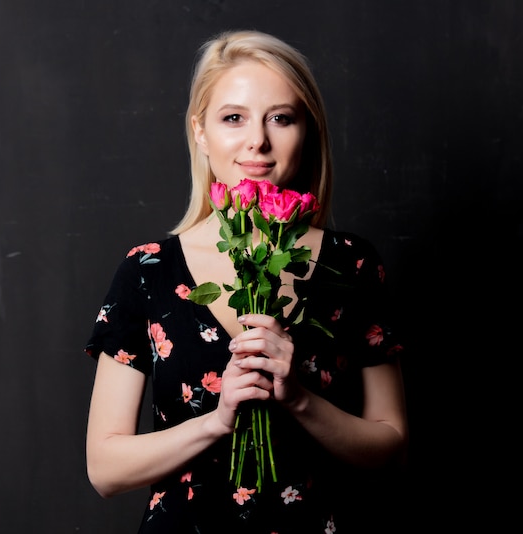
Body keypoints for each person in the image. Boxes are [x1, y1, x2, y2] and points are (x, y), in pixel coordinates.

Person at [84, 29, 408, 533]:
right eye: (233, 118)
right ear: (200, 130)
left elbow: (390, 444)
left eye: (281, 118)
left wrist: (299, 398)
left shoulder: (352, 264)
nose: (257, 140)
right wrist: (217, 420)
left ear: (308, 131)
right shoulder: (147, 271)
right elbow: (105, 470)